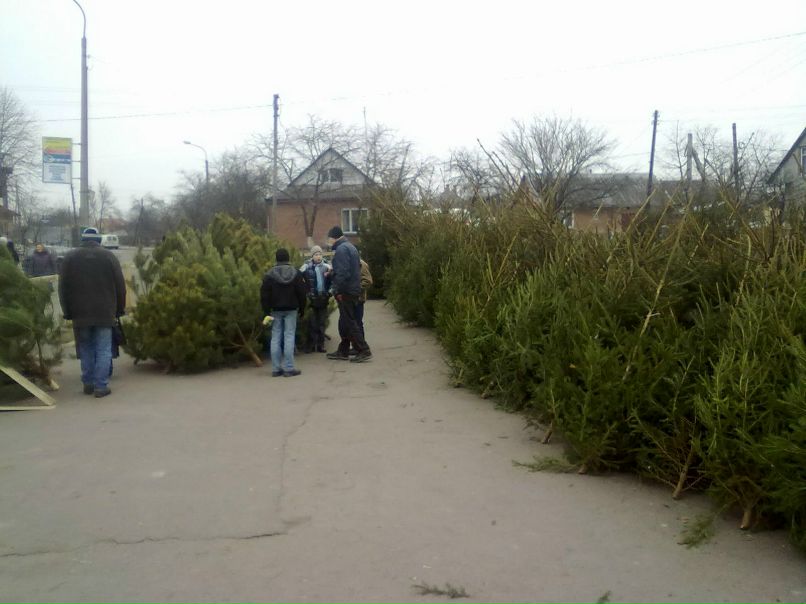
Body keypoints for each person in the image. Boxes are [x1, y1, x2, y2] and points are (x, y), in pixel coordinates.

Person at [58, 227, 126, 398]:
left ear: (82, 239)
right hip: (105, 312)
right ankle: (100, 386)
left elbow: (63, 287)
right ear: (99, 240)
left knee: (86, 347)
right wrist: (119, 310)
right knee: (103, 349)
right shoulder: (109, 257)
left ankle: (88, 383)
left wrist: (67, 311)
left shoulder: (70, 258)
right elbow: (120, 287)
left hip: (80, 313)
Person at [325, 225, 372, 363]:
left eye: (329, 239)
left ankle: (363, 349)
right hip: (353, 290)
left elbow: (343, 272)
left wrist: (335, 289)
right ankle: (344, 349)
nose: (329, 242)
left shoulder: (341, 250)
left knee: (350, 322)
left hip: (346, 291)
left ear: (333, 237)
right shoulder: (350, 247)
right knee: (346, 321)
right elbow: (352, 269)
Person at [260, 248, 307, 377]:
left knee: (275, 337)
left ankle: (276, 369)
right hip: (291, 309)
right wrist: (302, 309)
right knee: (289, 336)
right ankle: (289, 368)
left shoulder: (269, 275)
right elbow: (302, 293)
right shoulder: (296, 273)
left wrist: (266, 312)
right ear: (288, 258)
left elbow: (264, 295)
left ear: (276, 259)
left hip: (275, 310)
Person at [299, 245, 331, 353]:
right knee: (312, 323)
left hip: (323, 298)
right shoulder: (306, 267)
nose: (318, 256)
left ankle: (321, 344)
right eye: (316, 254)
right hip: (311, 299)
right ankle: (311, 344)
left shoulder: (327, 267)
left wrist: (329, 292)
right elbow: (299, 279)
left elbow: (332, 281)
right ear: (312, 256)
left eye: (320, 254)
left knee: (321, 323)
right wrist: (306, 292)